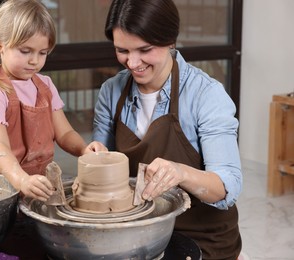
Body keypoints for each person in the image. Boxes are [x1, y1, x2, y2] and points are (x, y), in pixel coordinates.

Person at [92, 0, 242, 259]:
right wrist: (95, 157)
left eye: (144, 49)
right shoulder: (111, 92)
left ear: (170, 40)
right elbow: (102, 161)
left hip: (204, 237)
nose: (132, 62)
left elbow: (226, 187)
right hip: (139, 231)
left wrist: (180, 172)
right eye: (122, 50)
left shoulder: (206, 95)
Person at [0, 0, 107, 202]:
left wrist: (83, 150)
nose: (34, 61)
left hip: (37, 183)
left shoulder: (45, 86)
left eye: (42, 53)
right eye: (25, 51)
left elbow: (64, 133)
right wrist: (21, 180)